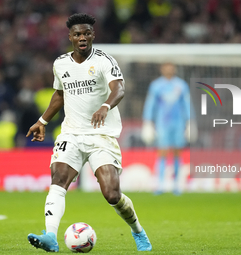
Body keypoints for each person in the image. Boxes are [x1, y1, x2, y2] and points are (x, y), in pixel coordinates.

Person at [26, 13, 152, 252]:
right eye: (77, 34)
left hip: (101, 135)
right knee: (58, 180)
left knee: (112, 194)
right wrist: (42, 120)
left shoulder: (105, 60)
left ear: (93, 35)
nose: (82, 38)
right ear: (70, 37)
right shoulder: (60, 63)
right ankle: (50, 236)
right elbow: (60, 94)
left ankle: (138, 230)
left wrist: (105, 106)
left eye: (86, 33)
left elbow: (119, 88)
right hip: (71, 134)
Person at [141, 62, 196, 195]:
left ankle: (177, 184)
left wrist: (190, 121)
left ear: (174, 69)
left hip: (178, 124)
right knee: (162, 152)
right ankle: (160, 184)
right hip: (162, 124)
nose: (169, 70)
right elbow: (150, 104)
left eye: (171, 68)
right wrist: (147, 121)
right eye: (166, 68)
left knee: (178, 152)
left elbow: (187, 103)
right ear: (162, 69)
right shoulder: (156, 85)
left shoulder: (181, 85)